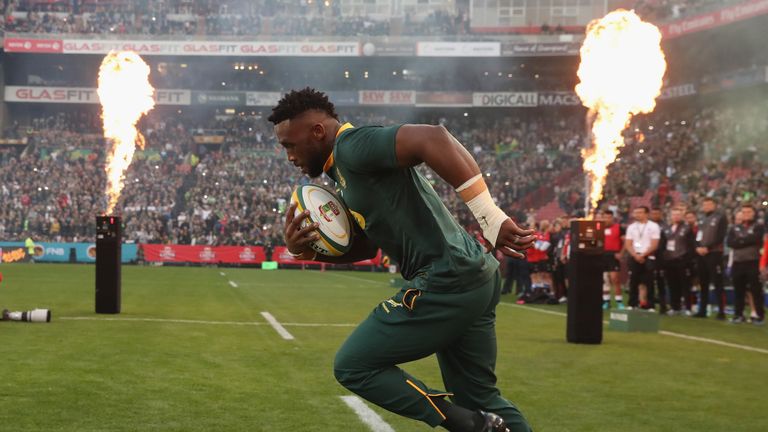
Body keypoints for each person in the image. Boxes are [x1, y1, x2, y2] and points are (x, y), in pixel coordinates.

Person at [272, 88, 535, 432]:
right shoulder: (345, 175)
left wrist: (489, 215)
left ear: (317, 132)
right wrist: (305, 250)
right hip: (474, 276)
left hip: (447, 278)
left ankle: (466, 424)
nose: (289, 156)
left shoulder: (351, 147)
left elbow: (432, 137)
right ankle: (476, 419)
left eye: (289, 145)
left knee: (353, 365)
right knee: (480, 398)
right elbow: (366, 249)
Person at [726, 204, 765, 325]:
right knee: (739, 290)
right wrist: (746, 240)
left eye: (749, 212)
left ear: (753, 213)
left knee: (756, 290)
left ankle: (759, 316)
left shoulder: (758, 227)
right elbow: (730, 243)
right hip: (738, 262)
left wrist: (740, 241)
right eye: (744, 212)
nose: (746, 214)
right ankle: (739, 314)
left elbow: (756, 239)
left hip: (753, 262)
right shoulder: (734, 228)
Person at [694, 197, 728, 319]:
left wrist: (708, 247)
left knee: (717, 282)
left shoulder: (720, 217)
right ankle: (702, 310)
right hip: (702, 254)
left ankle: (721, 311)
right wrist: (697, 247)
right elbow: (698, 235)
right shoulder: (702, 219)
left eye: (709, 204)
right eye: (705, 204)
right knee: (703, 283)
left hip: (714, 253)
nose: (707, 206)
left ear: (714, 205)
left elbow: (721, 236)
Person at [625, 206, 661, 309]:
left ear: (646, 214)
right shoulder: (631, 227)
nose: (637, 214)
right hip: (634, 256)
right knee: (633, 281)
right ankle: (632, 303)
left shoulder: (654, 226)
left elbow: (655, 244)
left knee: (649, 282)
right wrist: (635, 255)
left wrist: (643, 255)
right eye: (636, 212)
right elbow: (628, 244)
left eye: (640, 212)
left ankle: (650, 305)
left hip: (648, 256)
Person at [663, 207, 696, 315]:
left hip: (682, 260)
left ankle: (687, 308)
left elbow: (691, 245)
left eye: (678, 214)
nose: (676, 216)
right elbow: (663, 245)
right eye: (674, 214)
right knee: (672, 285)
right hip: (669, 260)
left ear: (682, 216)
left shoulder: (687, 228)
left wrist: (688, 260)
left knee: (685, 285)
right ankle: (674, 307)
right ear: (671, 216)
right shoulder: (667, 228)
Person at [601, 209, 625, 310]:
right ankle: (606, 301)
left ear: (612, 218)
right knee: (604, 279)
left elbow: (626, 242)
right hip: (602, 255)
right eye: (605, 217)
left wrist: (621, 253)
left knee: (615, 279)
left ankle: (619, 302)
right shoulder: (599, 228)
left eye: (609, 217)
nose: (607, 219)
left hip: (613, 255)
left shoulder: (619, 228)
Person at [650, 207, 668, 313]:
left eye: (657, 213)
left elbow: (665, 242)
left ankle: (663, 306)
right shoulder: (648, 226)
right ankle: (650, 304)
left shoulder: (665, 227)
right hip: (649, 256)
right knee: (649, 282)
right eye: (653, 213)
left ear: (660, 214)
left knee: (661, 282)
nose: (655, 215)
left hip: (661, 258)